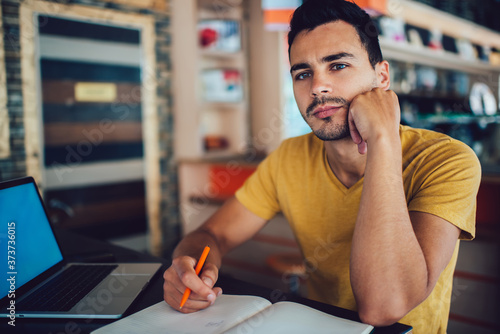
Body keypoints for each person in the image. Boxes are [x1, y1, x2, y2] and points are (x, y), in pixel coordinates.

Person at [163, 0, 481, 333]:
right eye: (303, 73)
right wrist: (188, 268)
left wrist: (383, 140)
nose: (317, 87)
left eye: (338, 66)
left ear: (381, 76)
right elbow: (212, 234)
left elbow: (384, 308)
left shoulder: (448, 161)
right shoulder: (289, 157)